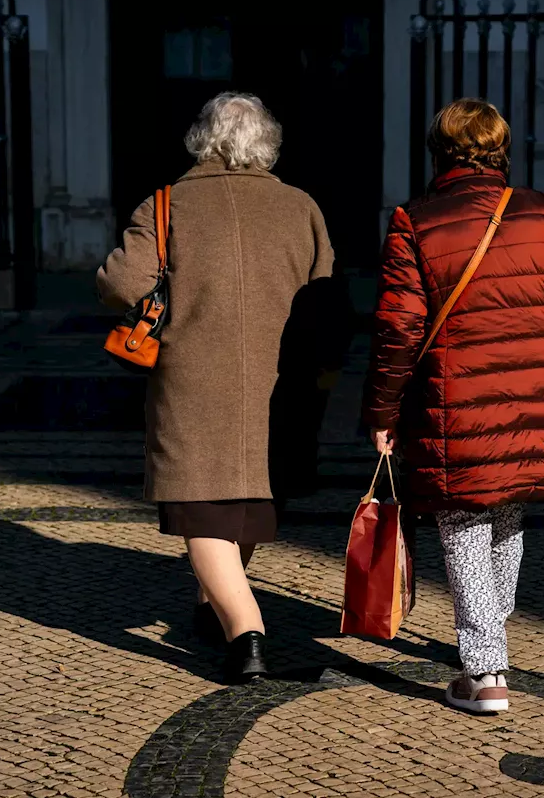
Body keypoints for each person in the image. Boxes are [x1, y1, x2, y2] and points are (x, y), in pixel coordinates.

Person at [362, 98, 544, 714]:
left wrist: (382, 412)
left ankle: (486, 670)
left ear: (438, 152)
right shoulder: (543, 213)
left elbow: (399, 328)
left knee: (465, 520)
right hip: (534, 399)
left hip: (457, 404)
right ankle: (490, 641)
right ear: (500, 149)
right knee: (504, 513)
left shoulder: (415, 221)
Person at [97, 92, 337, 683]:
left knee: (201, 508)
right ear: (268, 143)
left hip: (193, 380)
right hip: (279, 381)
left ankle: (247, 634)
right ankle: (216, 608)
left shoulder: (168, 204)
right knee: (248, 503)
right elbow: (326, 298)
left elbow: (122, 286)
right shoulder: (300, 206)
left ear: (200, 139)